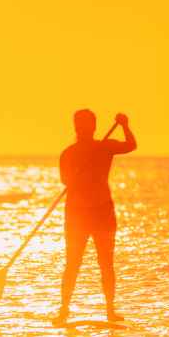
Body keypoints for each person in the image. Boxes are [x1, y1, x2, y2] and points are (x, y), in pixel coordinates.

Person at [56, 110, 136, 324]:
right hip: (76, 214)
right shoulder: (68, 154)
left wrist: (125, 125)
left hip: (102, 212)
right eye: (80, 124)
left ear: (93, 127)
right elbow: (65, 180)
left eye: (88, 124)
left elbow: (131, 145)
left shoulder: (105, 147)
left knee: (106, 263)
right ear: (75, 127)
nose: (84, 128)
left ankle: (110, 310)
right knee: (72, 262)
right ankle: (63, 309)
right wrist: (79, 175)